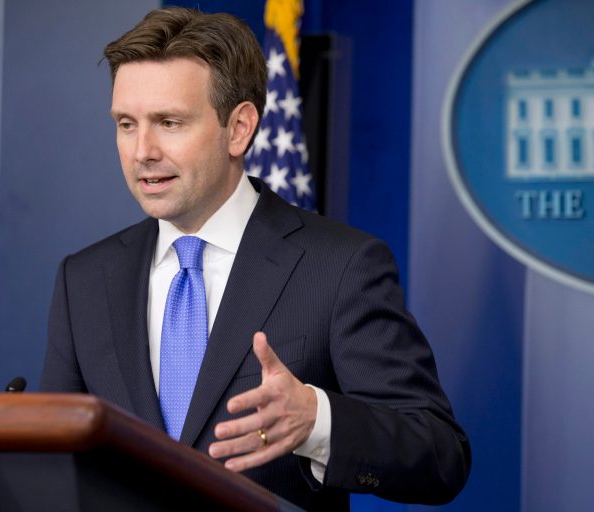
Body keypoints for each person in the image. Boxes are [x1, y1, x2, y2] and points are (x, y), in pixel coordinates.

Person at [40, 7, 470, 511]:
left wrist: (316, 420)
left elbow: (440, 455)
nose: (142, 151)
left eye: (169, 122)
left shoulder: (340, 267)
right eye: (126, 124)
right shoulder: (84, 279)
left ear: (240, 128)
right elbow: (55, 458)